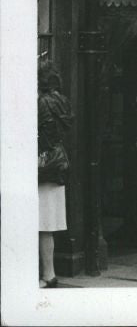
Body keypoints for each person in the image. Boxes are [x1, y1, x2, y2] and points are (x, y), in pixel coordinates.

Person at [38, 60, 73, 288]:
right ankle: (49, 274)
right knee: (47, 224)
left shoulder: (40, 103)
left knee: (37, 222)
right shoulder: (63, 102)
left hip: (40, 164)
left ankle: (47, 276)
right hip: (57, 164)